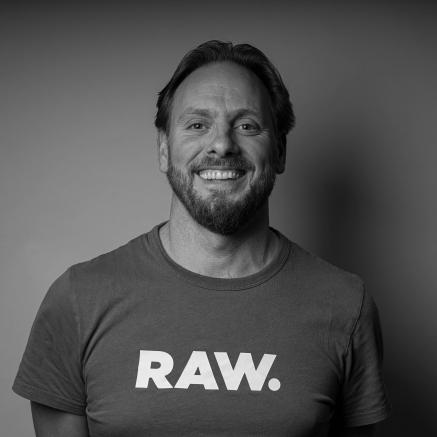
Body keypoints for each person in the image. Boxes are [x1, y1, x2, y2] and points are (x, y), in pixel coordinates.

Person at [13, 40, 391, 436]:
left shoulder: (345, 306)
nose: (222, 144)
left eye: (247, 126)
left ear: (279, 150)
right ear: (164, 148)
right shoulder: (78, 300)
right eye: (197, 125)